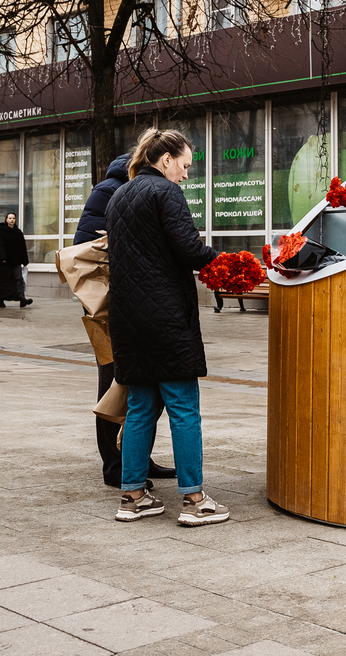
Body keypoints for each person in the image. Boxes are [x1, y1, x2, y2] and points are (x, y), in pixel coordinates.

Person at [106, 128, 228, 525]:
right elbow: (188, 248)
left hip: (128, 319)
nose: (186, 175)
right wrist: (225, 261)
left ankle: (133, 496)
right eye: (185, 165)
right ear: (166, 160)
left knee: (141, 408)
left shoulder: (120, 195)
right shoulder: (166, 193)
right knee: (183, 407)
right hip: (165, 318)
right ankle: (194, 501)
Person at [73, 153, 177, 487]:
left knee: (144, 386)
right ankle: (114, 467)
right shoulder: (111, 190)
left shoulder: (145, 190)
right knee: (114, 384)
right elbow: (84, 248)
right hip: (111, 307)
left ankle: (138, 459)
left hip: (140, 303)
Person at [0, 212, 32, 308]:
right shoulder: (3, 232)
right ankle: (0, 300)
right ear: (6, 220)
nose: (12, 220)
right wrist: (3, 258)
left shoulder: (18, 232)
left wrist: (24, 260)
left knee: (19, 279)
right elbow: (1, 246)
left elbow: (22, 247)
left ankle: (22, 299)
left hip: (16, 261)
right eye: (10, 218)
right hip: (5, 262)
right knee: (3, 281)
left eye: (13, 218)